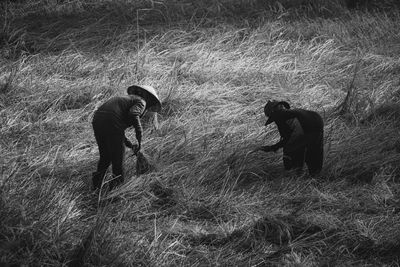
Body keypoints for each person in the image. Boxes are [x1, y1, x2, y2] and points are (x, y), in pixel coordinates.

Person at [91, 85, 161, 190]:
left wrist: (130, 144)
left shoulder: (127, 100)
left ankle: (96, 187)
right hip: (111, 122)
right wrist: (139, 131)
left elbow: (117, 131)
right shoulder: (142, 101)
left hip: (97, 120)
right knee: (118, 160)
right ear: (150, 99)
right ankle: (117, 190)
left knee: (105, 157)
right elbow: (134, 114)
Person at [254, 100, 324, 176]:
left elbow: (288, 139)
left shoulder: (279, 115)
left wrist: (272, 148)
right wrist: (273, 147)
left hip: (307, 128)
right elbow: (289, 137)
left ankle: (295, 173)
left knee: (290, 149)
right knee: (314, 150)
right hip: (318, 122)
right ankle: (314, 175)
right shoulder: (291, 113)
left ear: (272, 113)